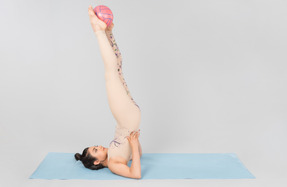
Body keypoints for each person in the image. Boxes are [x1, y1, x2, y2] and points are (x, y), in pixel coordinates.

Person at [74, 5, 142, 179]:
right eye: (96, 150)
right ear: (96, 162)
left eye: (96, 146)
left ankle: (107, 31)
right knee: (111, 72)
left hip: (125, 116)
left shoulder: (112, 153)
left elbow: (136, 155)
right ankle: (98, 31)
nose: (100, 147)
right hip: (127, 116)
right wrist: (134, 144)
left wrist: (134, 144)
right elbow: (136, 174)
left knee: (117, 67)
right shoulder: (112, 164)